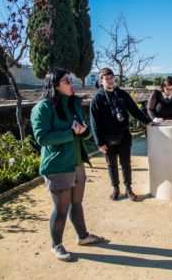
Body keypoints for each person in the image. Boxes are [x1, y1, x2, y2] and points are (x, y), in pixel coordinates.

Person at [31, 68, 105, 262]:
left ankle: (83, 237)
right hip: (57, 165)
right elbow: (41, 138)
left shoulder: (73, 104)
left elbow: (85, 131)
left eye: (70, 80)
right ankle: (56, 245)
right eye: (66, 81)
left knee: (77, 203)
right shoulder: (43, 108)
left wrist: (84, 131)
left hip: (76, 162)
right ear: (54, 84)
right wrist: (71, 133)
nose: (71, 84)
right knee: (61, 209)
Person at [90, 67, 152, 201]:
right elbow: (94, 123)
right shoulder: (97, 98)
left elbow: (135, 110)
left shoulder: (122, 94)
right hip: (107, 138)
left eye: (112, 78)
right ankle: (115, 189)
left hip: (123, 135)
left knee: (126, 163)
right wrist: (99, 143)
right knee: (111, 164)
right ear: (101, 81)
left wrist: (148, 122)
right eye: (107, 78)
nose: (110, 80)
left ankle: (128, 189)